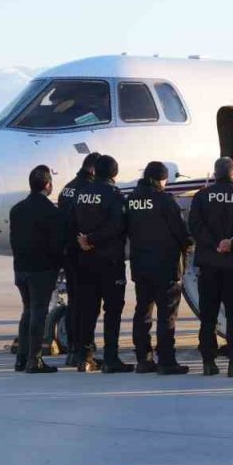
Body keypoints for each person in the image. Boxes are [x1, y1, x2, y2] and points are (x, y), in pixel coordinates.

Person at [125, 161, 193, 375]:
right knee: (166, 315)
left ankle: (143, 359)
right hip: (165, 266)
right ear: (160, 179)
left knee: (143, 312)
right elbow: (180, 231)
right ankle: (166, 360)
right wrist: (188, 244)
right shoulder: (165, 200)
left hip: (141, 265)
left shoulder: (132, 199)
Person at [188, 157, 233, 377]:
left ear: (215, 174)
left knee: (208, 316)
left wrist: (214, 243)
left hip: (209, 264)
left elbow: (195, 227)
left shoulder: (202, 196)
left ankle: (209, 362)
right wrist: (231, 243)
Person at [69, 154, 132, 373]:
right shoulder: (114, 195)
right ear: (114, 174)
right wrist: (93, 239)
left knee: (87, 308)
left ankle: (84, 356)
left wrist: (83, 240)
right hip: (109, 260)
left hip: (85, 259)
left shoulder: (81, 193)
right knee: (112, 310)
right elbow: (117, 226)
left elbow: (73, 220)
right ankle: (111, 357)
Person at [9, 165, 65, 374]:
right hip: (41, 271)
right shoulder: (52, 212)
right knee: (38, 314)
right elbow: (56, 244)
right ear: (48, 185)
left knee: (27, 311)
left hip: (21, 269)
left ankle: (21, 359)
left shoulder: (17, 209)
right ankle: (35, 360)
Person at [57, 152, 99, 367]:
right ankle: (84, 349)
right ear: (92, 170)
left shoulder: (67, 187)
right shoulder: (87, 190)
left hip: (67, 252)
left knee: (75, 301)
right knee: (87, 304)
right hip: (83, 253)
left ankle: (73, 348)